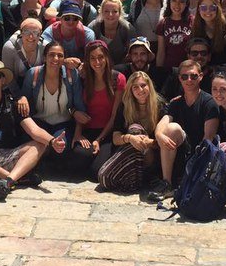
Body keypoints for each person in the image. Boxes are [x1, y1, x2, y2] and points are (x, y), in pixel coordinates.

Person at [0, 59, 67, 201]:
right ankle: (14, 179)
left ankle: (8, 181)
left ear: (3, 80)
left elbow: (34, 130)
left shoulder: (13, 104)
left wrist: (52, 141)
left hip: (7, 156)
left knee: (40, 144)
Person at [148, 58, 219, 202]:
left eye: (193, 76)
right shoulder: (176, 103)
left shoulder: (209, 102)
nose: (189, 80)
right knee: (170, 129)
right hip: (179, 153)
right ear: (179, 78)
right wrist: (159, 134)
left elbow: (208, 139)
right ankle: (167, 183)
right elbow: (164, 122)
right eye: (184, 76)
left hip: (200, 155)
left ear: (200, 76)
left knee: (173, 129)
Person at [18, 42, 87, 170]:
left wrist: (78, 134)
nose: (56, 58)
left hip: (63, 123)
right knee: (30, 145)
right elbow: (24, 97)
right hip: (39, 122)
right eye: (51, 55)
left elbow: (79, 107)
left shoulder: (72, 75)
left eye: (60, 56)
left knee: (61, 148)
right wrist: (22, 98)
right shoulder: (33, 74)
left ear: (64, 58)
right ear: (44, 57)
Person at [98, 71, 165, 193]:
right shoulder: (125, 106)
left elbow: (164, 139)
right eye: (135, 87)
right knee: (104, 178)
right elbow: (115, 138)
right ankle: (138, 179)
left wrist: (149, 142)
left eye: (143, 85)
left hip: (153, 154)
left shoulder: (160, 105)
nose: (140, 90)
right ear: (131, 90)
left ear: (149, 86)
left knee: (135, 128)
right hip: (130, 151)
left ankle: (140, 178)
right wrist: (130, 138)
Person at [72, 40, 125, 180]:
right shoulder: (83, 79)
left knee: (96, 172)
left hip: (108, 132)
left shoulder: (118, 79)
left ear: (107, 57)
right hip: (88, 129)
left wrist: (98, 140)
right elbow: (79, 108)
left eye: (101, 57)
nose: (97, 62)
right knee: (78, 158)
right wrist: (78, 134)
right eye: (92, 58)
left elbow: (114, 115)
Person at [155, 0, 193, 71]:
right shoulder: (163, 23)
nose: (177, 4)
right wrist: (158, 71)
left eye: (181, 1)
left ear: (186, 3)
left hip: (188, 70)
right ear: (169, 2)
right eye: (174, 0)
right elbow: (161, 52)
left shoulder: (192, 21)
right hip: (169, 69)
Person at [88, 0, 132, 65]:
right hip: (97, 65)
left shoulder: (127, 28)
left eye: (114, 11)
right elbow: (88, 52)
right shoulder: (93, 27)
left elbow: (132, 54)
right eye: (106, 11)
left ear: (120, 13)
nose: (110, 15)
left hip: (121, 67)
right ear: (101, 12)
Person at [2, 17, 47, 85]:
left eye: (35, 32)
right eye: (26, 32)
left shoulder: (45, 47)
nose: (30, 36)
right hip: (16, 86)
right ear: (21, 33)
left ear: (40, 34)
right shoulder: (10, 48)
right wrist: (17, 92)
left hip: (38, 85)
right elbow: (8, 77)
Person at [191, 0, 226, 66]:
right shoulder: (195, 29)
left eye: (212, 7)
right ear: (199, 9)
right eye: (203, 8)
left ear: (217, 9)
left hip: (225, 70)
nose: (208, 11)